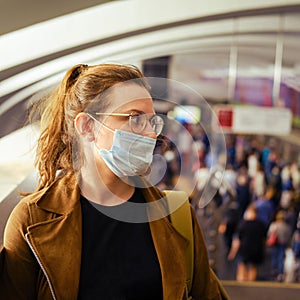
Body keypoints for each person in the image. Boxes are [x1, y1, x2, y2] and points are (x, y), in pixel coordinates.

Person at [0, 63, 228, 299]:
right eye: (135, 118)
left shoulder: (175, 216)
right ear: (87, 127)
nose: (151, 133)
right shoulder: (32, 220)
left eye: (152, 122)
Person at [227, 206, 266, 281]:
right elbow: (264, 239)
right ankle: (251, 283)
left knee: (241, 265)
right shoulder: (261, 225)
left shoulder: (243, 224)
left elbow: (237, 240)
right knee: (253, 267)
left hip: (244, 249)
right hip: (257, 250)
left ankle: (242, 281)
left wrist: (232, 252)